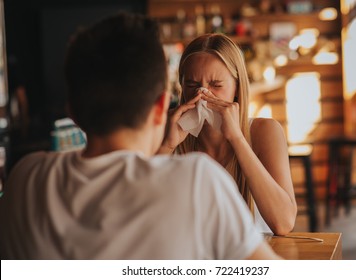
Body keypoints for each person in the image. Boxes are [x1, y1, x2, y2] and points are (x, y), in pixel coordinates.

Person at [0, 13, 281, 260]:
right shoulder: (198, 179)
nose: (202, 96)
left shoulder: (24, 178)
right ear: (162, 106)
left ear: (71, 113)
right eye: (192, 84)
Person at [158, 34, 297, 235]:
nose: (203, 95)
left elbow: (283, 223)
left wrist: (237, 139)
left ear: (237, 88)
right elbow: (134, 214)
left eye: (216, 84)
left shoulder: (265, 132)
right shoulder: (167, 131)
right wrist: (166, 147)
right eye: (192, 85)